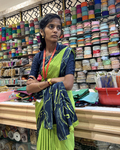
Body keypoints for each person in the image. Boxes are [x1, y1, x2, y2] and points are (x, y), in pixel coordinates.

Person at [26, 14, 79, 150]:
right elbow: (29, 89)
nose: (56, 30)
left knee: (63, 144)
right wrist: (51, 81)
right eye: (51, 26)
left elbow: (68, 84)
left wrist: (43, 82)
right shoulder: (38, 57)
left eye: (58, 27)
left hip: (63, 105)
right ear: (42, 32)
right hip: (44, 107)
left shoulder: (67, 53)